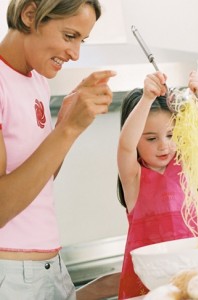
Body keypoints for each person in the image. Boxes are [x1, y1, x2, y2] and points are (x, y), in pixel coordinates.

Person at [0, 0, 116, 299]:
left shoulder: (37, 79)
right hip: (10, 271)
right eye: (69, 36)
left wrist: (65, 121)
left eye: (82, 40)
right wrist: (68, 129)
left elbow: (39, 184)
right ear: (30, 15)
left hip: (50, 265)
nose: (75, 53)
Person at [117, 71, 198, 299]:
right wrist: (146, 99)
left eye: (171, 135)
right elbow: (125, 146)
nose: (164, 146)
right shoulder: (134, 177)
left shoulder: (187, 165)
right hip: (151, 281)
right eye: (151, 139)